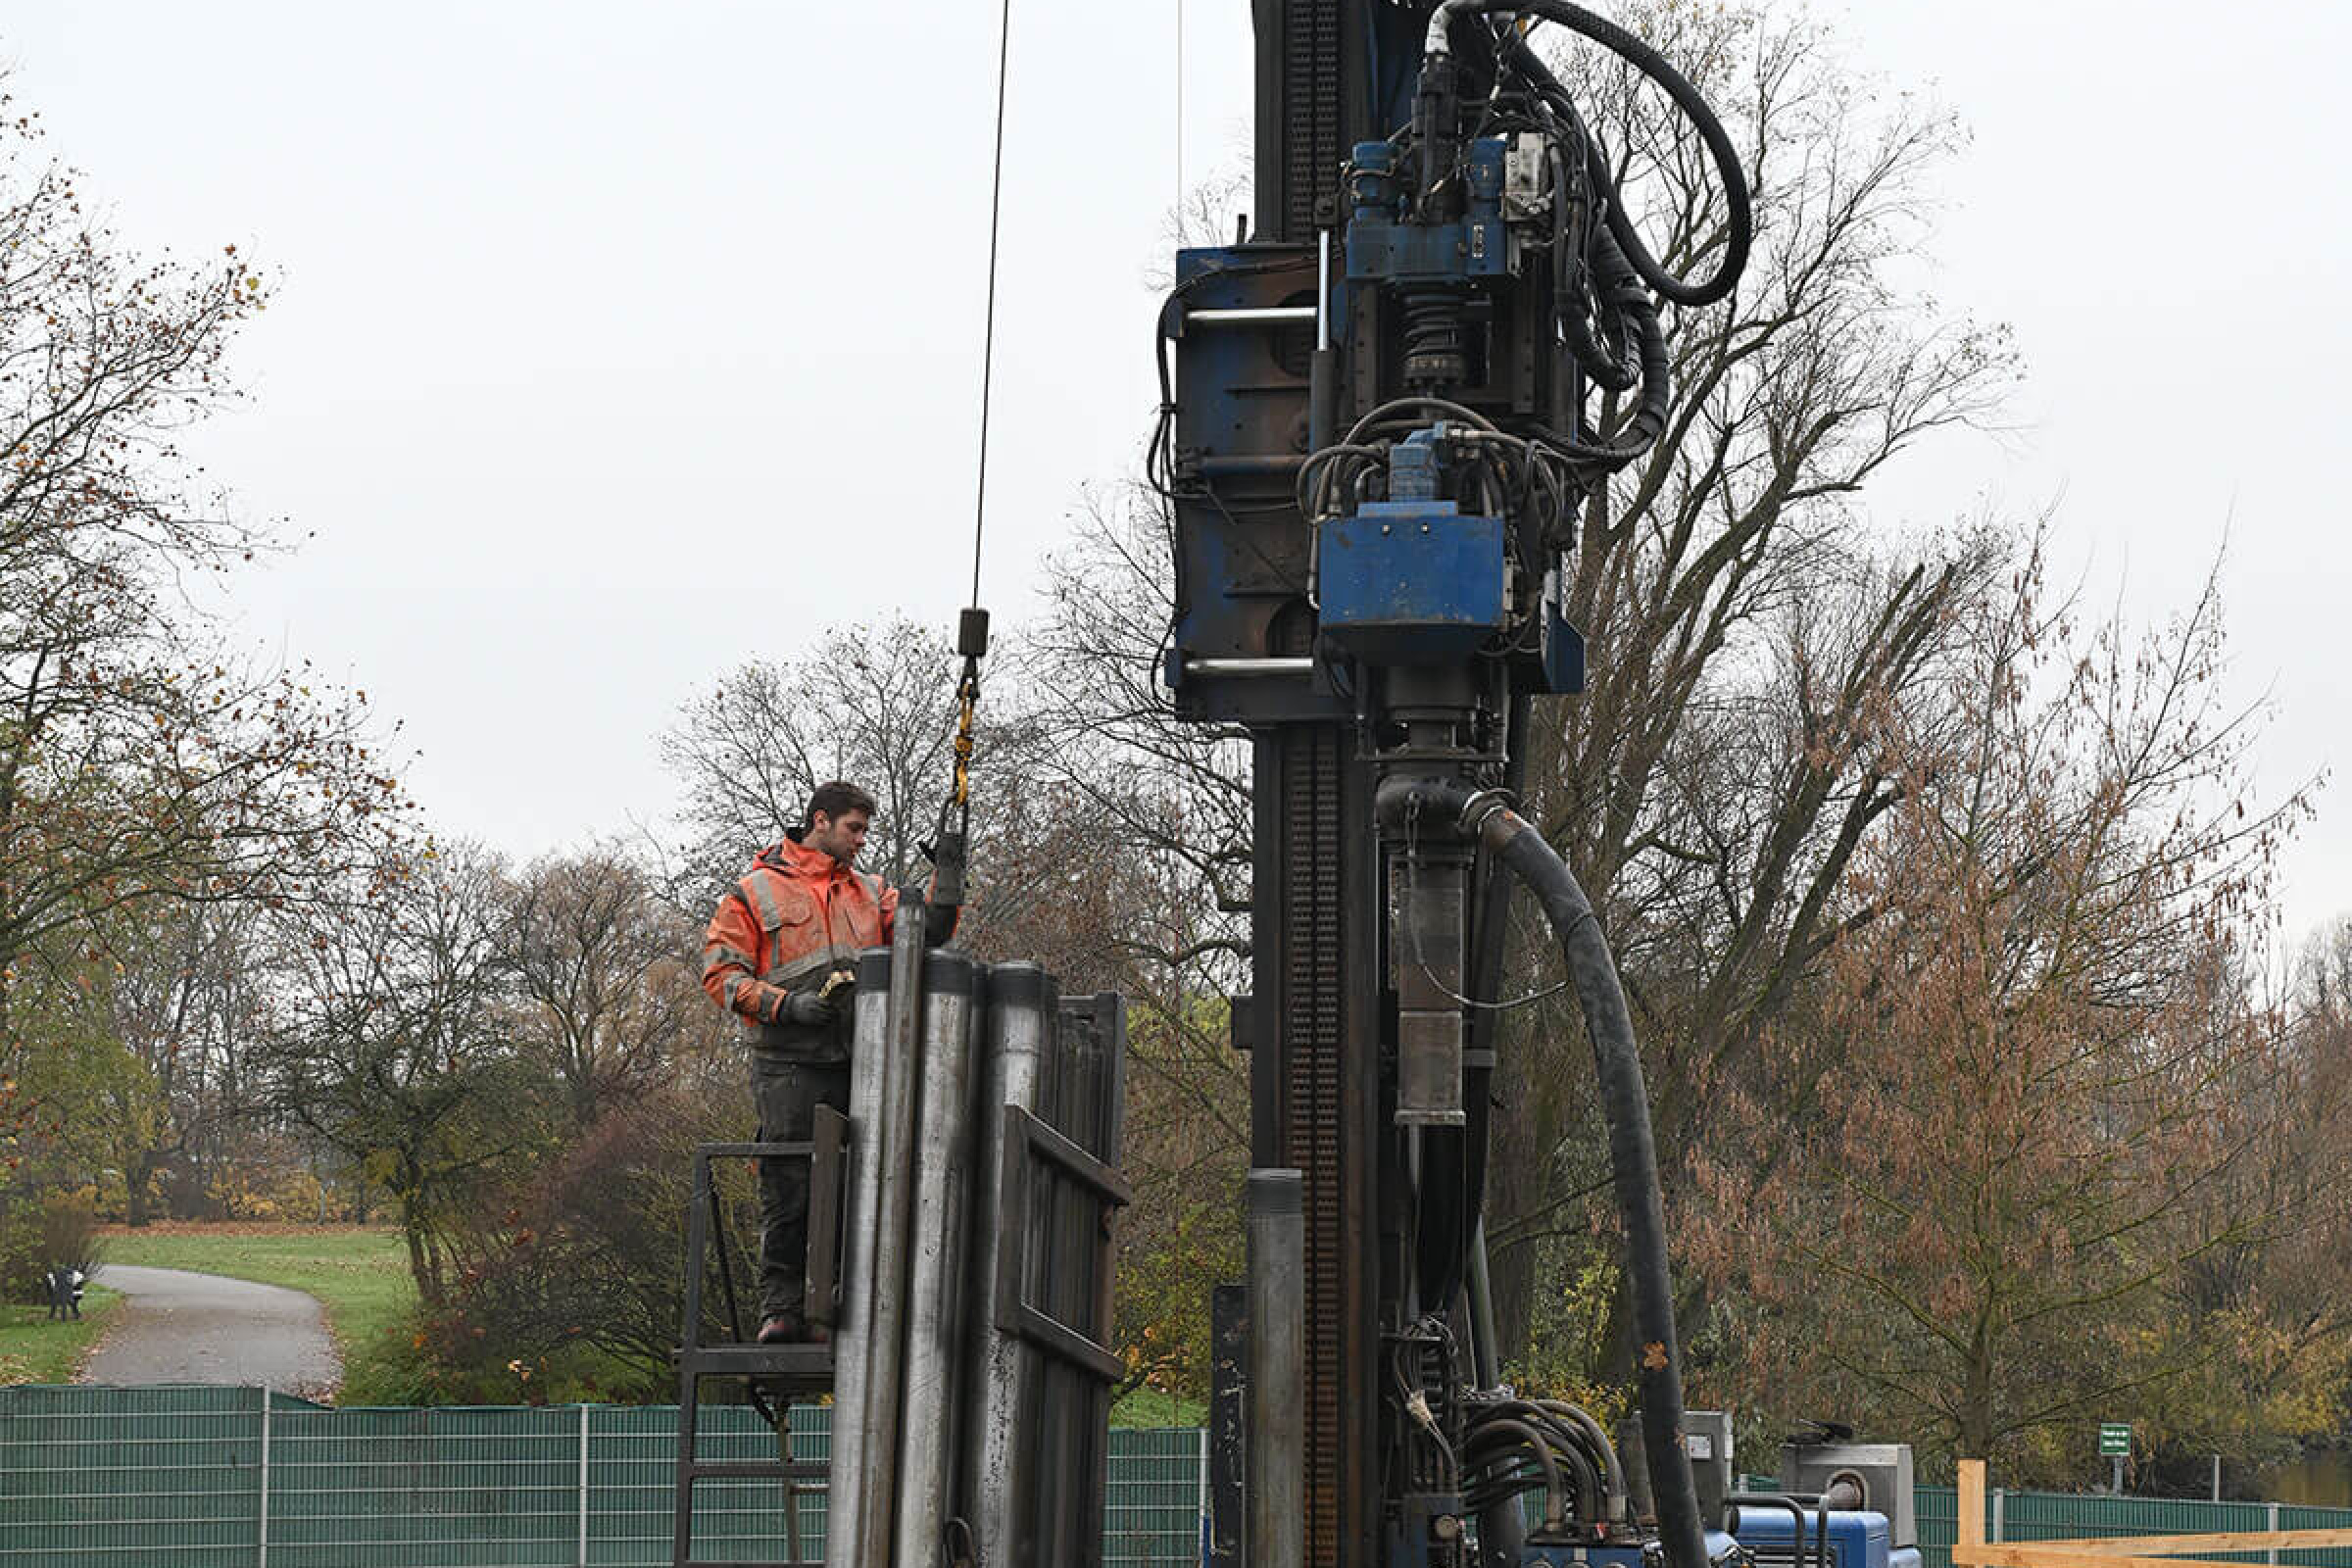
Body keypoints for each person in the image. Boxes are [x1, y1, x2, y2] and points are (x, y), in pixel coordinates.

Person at [700, 780, 957, 1344]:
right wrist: (788, 1007)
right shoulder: (754, 892)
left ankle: (837, 1304)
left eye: (865, 830)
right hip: (788, 1062)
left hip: (859, 1061)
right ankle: (782, 1308)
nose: (862, 840)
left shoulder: (871, 892)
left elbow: (926, 936)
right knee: (790, 1185)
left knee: (860, 1182)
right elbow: (721, 976)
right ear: (821, 821)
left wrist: (949, 878)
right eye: (854, 829)